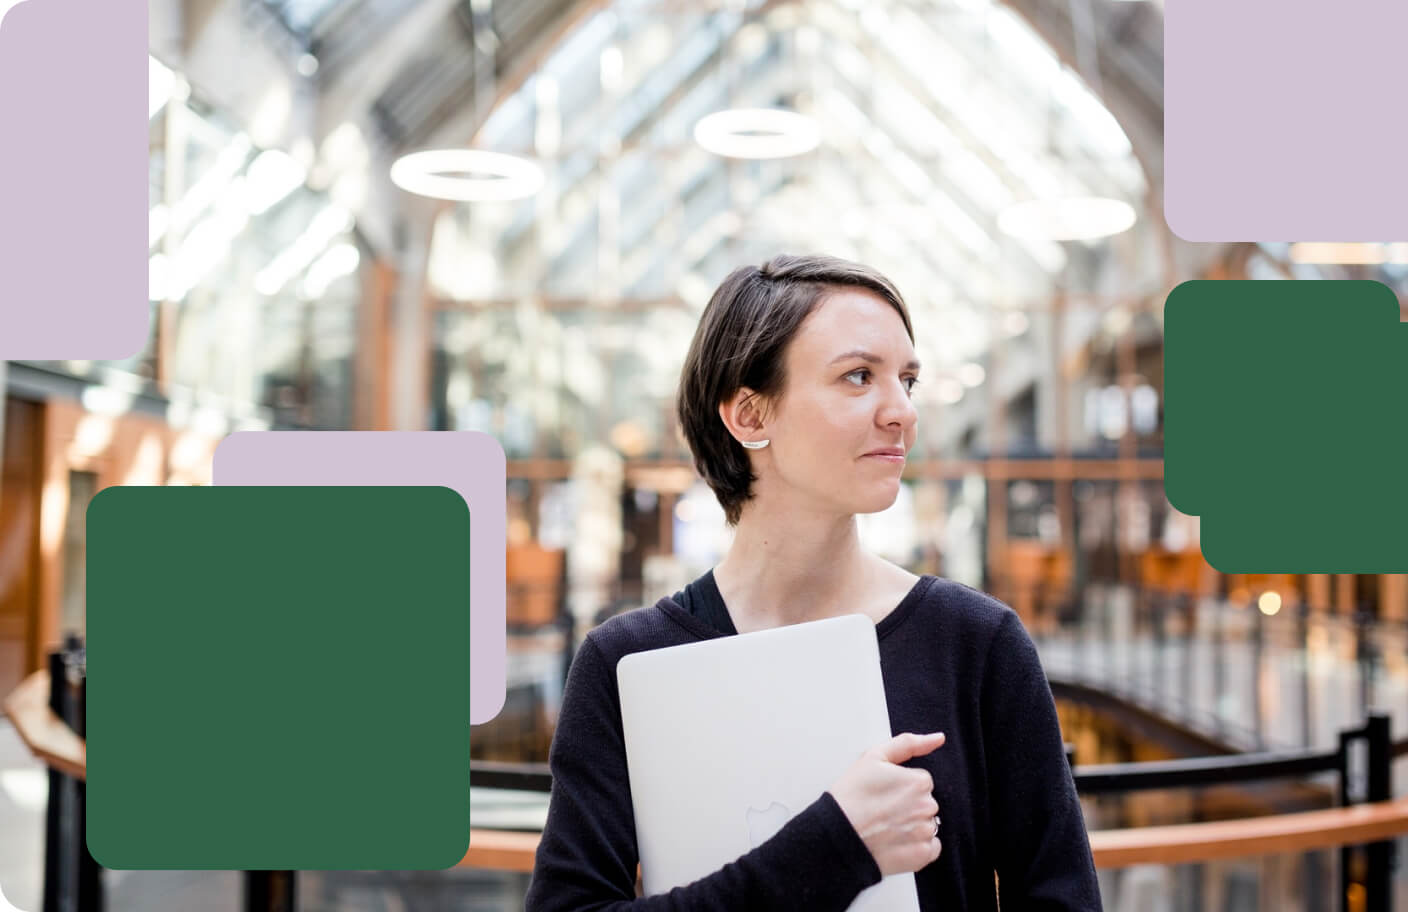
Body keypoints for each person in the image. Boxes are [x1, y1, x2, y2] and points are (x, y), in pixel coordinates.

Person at [524, 254, 1102, 911]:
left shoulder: (977, 645)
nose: (903, 413)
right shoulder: (626, 663)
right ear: (749, 417)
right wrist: (836, 846)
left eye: (907, 380)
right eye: (859, 377)